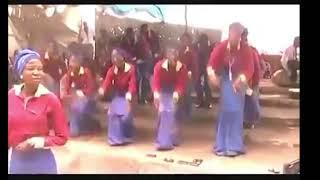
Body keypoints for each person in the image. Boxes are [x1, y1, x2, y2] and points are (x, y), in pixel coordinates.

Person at [8, 49, 68, 174]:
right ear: (20, 73)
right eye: (31, 69)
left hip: (42, 162)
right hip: (17, 163)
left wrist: (36, 142)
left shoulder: (51, 99)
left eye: (40, 69)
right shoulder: (10, 96)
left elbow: (62, 137)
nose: (37, 72)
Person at [207, 22, 254, 157]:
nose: (235, 38)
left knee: (236, 112)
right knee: (225, 111)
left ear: (241, 36)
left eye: (238, 35)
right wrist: (212, 76)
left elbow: (249, 68)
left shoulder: (246, 49)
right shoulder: (221, 47)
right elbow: (211, 64)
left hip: (240, 80)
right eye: (232, 34)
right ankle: (221, 145)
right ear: (229, 33)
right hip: (226, 81)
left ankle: (235, 145)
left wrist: (241, 79)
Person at [152, 44, 188, 151]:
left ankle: (173, 137)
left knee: (173, 112)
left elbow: (181, 83)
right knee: (162, 111)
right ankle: (161, 139)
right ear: (167, 56)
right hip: (162, 90)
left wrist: (177, 94)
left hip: (175, 91)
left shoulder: (182, 68)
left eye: (175, 56)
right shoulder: (159, 66)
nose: (173, 57)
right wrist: (156, 95)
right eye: (171, 55)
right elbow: (156, 81)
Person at [98, 48, 137, 146]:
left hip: (129, 94)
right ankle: (115, 139)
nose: (114, 59)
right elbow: (107, 82)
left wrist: (129, 95)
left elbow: (132, 83)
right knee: (113, 113)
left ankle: (127, 136)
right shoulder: (112, 70)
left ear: (122, 58)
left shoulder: (131, 68)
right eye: (113, 57)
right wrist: (102, 90)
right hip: (117, 95)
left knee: (126, 115)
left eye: (117, 57)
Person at [60, 54, 100, 137]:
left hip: (88, 100)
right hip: (75, 102)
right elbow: (66, 91)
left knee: (78, 107)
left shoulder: (86, 72)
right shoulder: (69, 74)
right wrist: (72, 96)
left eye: (74, 61)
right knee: (74, 107)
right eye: (70, 62)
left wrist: (80, 93)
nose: (71, 64)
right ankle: (79, 128)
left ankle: (81, 127)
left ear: (79, 63)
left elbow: (91, 89)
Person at [241, 28, 262, 129]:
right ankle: (247, 121)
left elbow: (255, 67)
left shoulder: (250, 50)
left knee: (251, 100)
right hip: (247, 80)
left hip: (251, 81)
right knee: (248, 101)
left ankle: (250, 121)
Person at [178, 32, 199, 121]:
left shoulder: (191, 51)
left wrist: (190, 73)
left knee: (186, 94)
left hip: (189, 76)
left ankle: (187, 113)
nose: (184, 42)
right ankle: (181, 112)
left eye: (186, 40)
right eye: (183, 40)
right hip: (179, 75)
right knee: (181, 94)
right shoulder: (180, 50)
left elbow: (193, 65)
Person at [136, 24, 153, 104]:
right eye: (146, 28)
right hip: (142, 62)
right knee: (143, 80)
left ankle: (143, 98)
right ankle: (141, 98)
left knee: (144, 80)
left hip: (145, 61)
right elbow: (140, 50)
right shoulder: (141, 38)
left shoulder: (146, 39)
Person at [195, 33, 213, 109]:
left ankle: (205, 102)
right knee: (201, 85)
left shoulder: (207, 48)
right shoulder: (201, 48)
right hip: (201, 68)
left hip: (204, 68)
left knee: (205, 85)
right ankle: (203, 101)